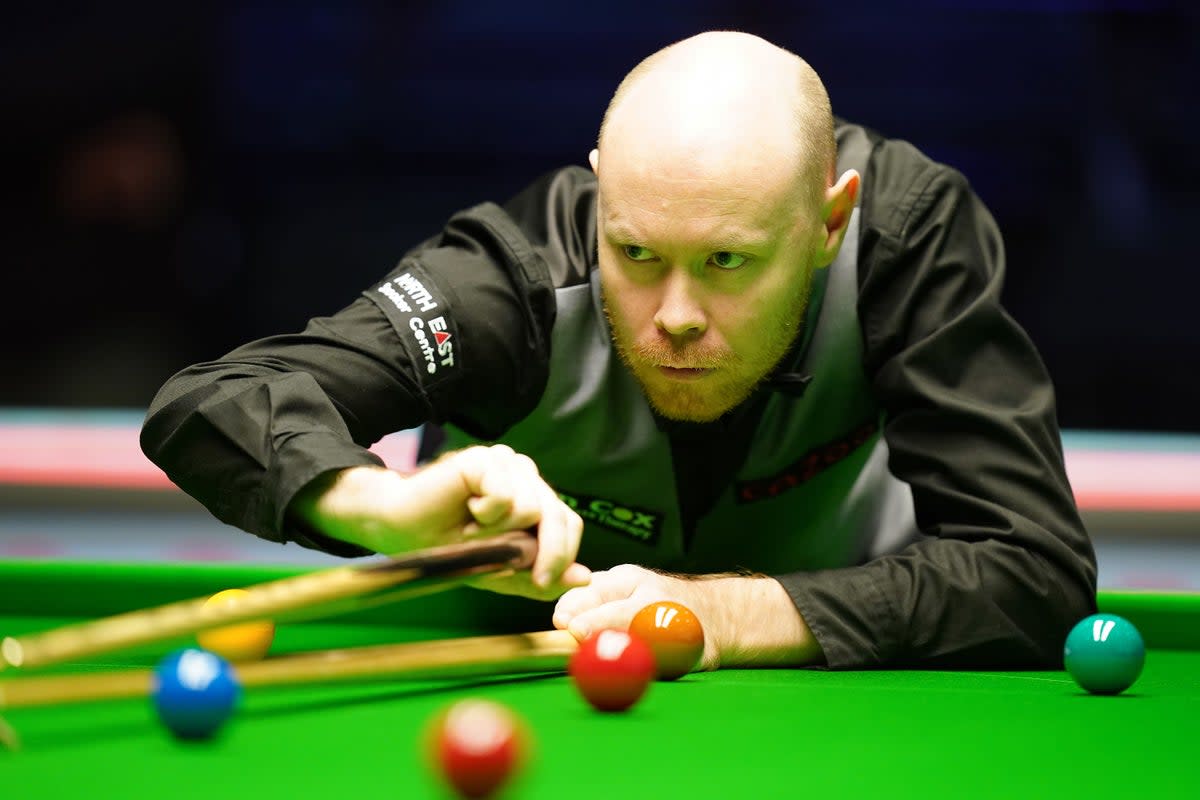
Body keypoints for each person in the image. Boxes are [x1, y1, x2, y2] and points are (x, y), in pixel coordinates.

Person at [141, 31, 1097, 670]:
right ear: (601, 197)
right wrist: (383, 507)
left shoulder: (907, 238)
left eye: (727, 261)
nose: (675, 313)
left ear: (829, 221)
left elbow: (1033, 568)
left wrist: (730, 614)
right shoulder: (514, 280)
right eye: (636, 253)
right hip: (524, 677)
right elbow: (211, 401)